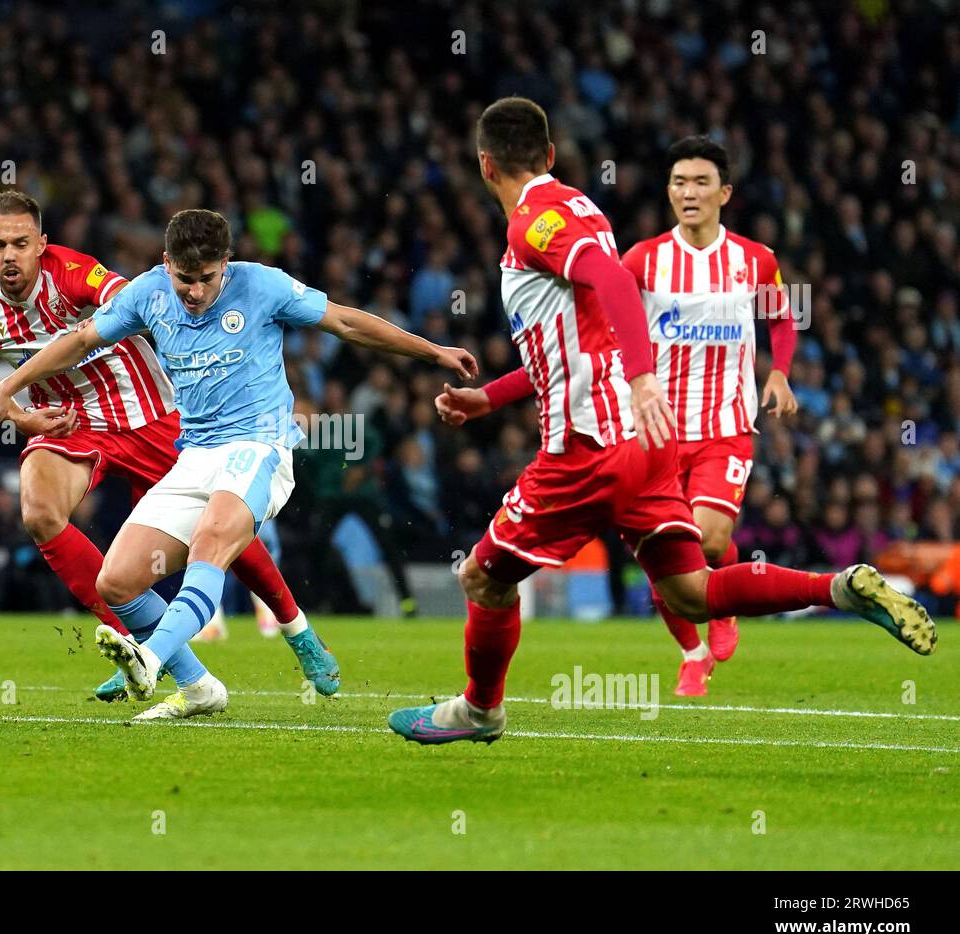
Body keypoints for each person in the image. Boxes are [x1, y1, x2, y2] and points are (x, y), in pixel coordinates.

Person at [388, 97, 936, 745]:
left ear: (484, 166)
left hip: (590, 445)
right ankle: (838, 587)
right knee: (690, 591)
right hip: (649, 439)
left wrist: (647, 377)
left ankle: (480, 710)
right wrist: (493, 396)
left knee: (480, 576)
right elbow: (581, 335)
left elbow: (613, 290)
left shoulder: (530, 223)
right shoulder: (581, 205)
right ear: (552, 155)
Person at [0, 208, 476, 718]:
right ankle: (201, 687)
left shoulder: (264, 286)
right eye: (184, 279)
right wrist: (7, 390)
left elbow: (345, 321)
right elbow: (79, 341)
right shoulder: (148, 293)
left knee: (212, 542)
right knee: (117, 582)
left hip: (260, 446)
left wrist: (433, 351)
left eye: (207, 279)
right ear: (165, 263)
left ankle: (150, 659)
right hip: (194, 455)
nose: (194, 292)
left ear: (227, 263)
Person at [0, 191, 338, 712]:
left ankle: (296, 627)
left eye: (21, 244)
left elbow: (140, 300)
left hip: (147, 412)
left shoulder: (77, 275)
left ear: (41, 244)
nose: (10, 256)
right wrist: (20, 416)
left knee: (222, 524)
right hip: (67, 423)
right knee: (40, 514)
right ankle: (154, 660)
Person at [620, 135, 800, 695]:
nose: (688, 192)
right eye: (678, 182)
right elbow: (611, 329)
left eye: (700, 182)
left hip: (726, 424)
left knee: (709, 542)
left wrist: (779, 372)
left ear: (724, 192)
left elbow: (783, 319)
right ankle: (692, 653)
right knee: (661, 557)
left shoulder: (754, 258)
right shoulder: (642, 259)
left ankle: (721, 597)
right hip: (657, 430)